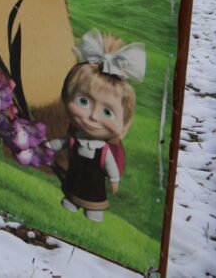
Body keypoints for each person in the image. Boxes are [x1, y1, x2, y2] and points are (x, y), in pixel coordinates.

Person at [47, 29, 145, 222]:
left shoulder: (103, 150)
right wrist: (48, 146)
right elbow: (62, 142)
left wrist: (114, 179)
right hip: (75, 179)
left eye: (108, 112)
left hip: (94, 186)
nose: (92, 116)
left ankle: (94, 208)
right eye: (83, 101)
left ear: (123, 122)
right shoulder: (76, 138)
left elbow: (110, 165)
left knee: (94, 191)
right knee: (74, 184)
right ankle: (72, 200)